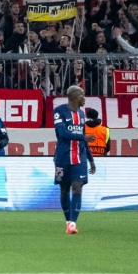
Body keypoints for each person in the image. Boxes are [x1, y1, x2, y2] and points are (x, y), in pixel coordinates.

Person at [52, 85, 95, 234]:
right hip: (63, 157)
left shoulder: (82, 114)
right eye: (81, 95)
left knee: (77, 186)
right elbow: (62, 133)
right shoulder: (59, 112)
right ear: (73, 96)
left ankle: (73, 224)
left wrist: (91, 159)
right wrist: (82, 137)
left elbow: (84, 139)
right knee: (64, 189)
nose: (84, 98)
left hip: (79, 157)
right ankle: (67, 220)